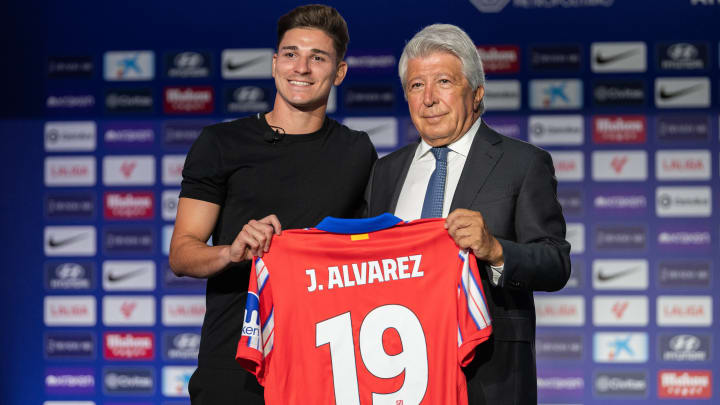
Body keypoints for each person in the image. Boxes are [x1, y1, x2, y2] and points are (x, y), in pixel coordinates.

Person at [169, 5, 377, 404]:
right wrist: (231, 253)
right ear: (273, 63)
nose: (301, 67)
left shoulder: (357, 151)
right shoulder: (220, 144)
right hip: (235, 364)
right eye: (290, 54)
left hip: (325, 365)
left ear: (339, 72)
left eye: (318, 57)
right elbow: (182, 254)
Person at [364, 24, 571, 405]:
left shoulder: (522, 163)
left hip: (488, 375)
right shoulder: (385, 171)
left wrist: (495, 250)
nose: (428, 99)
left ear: (476, 94)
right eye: (415, 86)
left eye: (443, 81)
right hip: (399, 371)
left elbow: (556, 262)